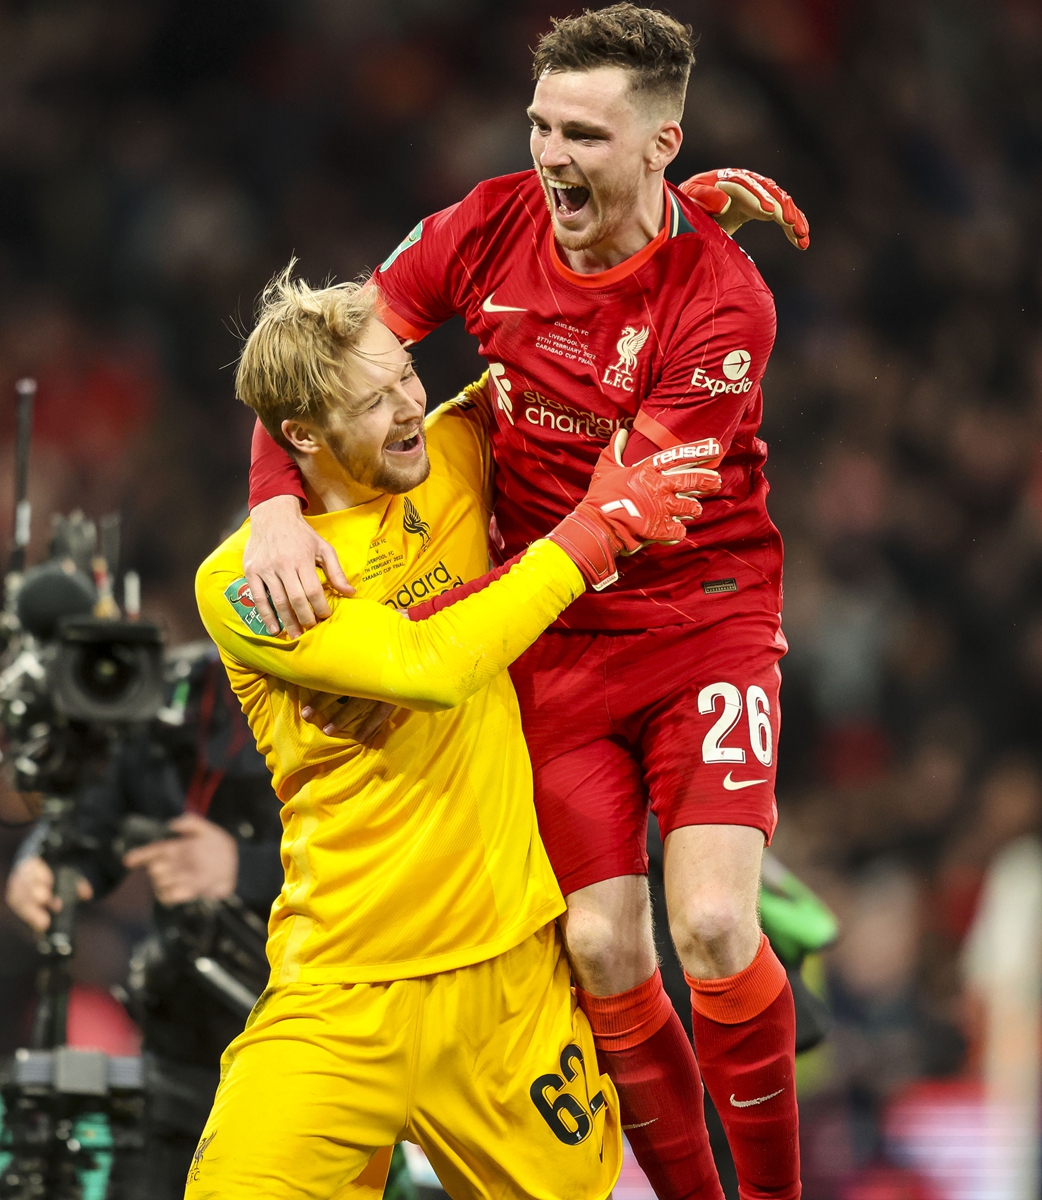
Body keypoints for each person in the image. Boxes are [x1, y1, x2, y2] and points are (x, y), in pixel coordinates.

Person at [241, 7, 806, 1199]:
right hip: (552, 642)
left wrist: (694, 224)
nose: (549, 154)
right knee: (603, 946)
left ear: (661, 145)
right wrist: (274, 506)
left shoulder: (723, 307)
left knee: (708, 926)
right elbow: (320, 359)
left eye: (585, 134)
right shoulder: (487, 221)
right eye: (540, 122)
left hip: (699, 615)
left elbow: (623, 518)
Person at [190, 267, 720, 1199]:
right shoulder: (249, 580)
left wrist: (667, 244)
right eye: (375, 399)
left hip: (508, 982)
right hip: (343, 989)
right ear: (302, 437)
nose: (409, 404)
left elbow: (560, 359)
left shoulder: (451, 450)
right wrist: (593, 535)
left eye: (406, 374)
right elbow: (428, 669)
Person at [5, 638, 285, 1199]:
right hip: (178, 1043)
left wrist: (245, 866)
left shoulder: (357, 685)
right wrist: (42, 863)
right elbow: (92, 817)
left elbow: (404, 856)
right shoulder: (172, 689)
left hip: (304, 1042)